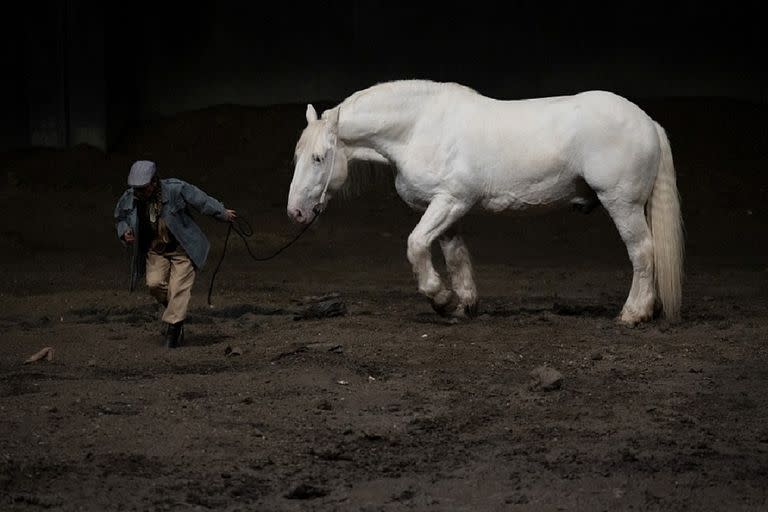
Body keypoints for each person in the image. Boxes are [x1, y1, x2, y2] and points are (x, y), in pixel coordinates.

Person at [114, 160, 236, 348]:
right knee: (154, 284)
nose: (139, 193)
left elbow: (201, 200)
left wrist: (222, 213)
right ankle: (175, 313)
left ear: (154, 182)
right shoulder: (131, 197)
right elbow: (120, 216)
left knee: (179, 287)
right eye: (136, 189)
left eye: (143, 188)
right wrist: (124, 231)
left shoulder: (175, 189)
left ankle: (173, 330)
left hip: (182, 249)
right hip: (156, 250)